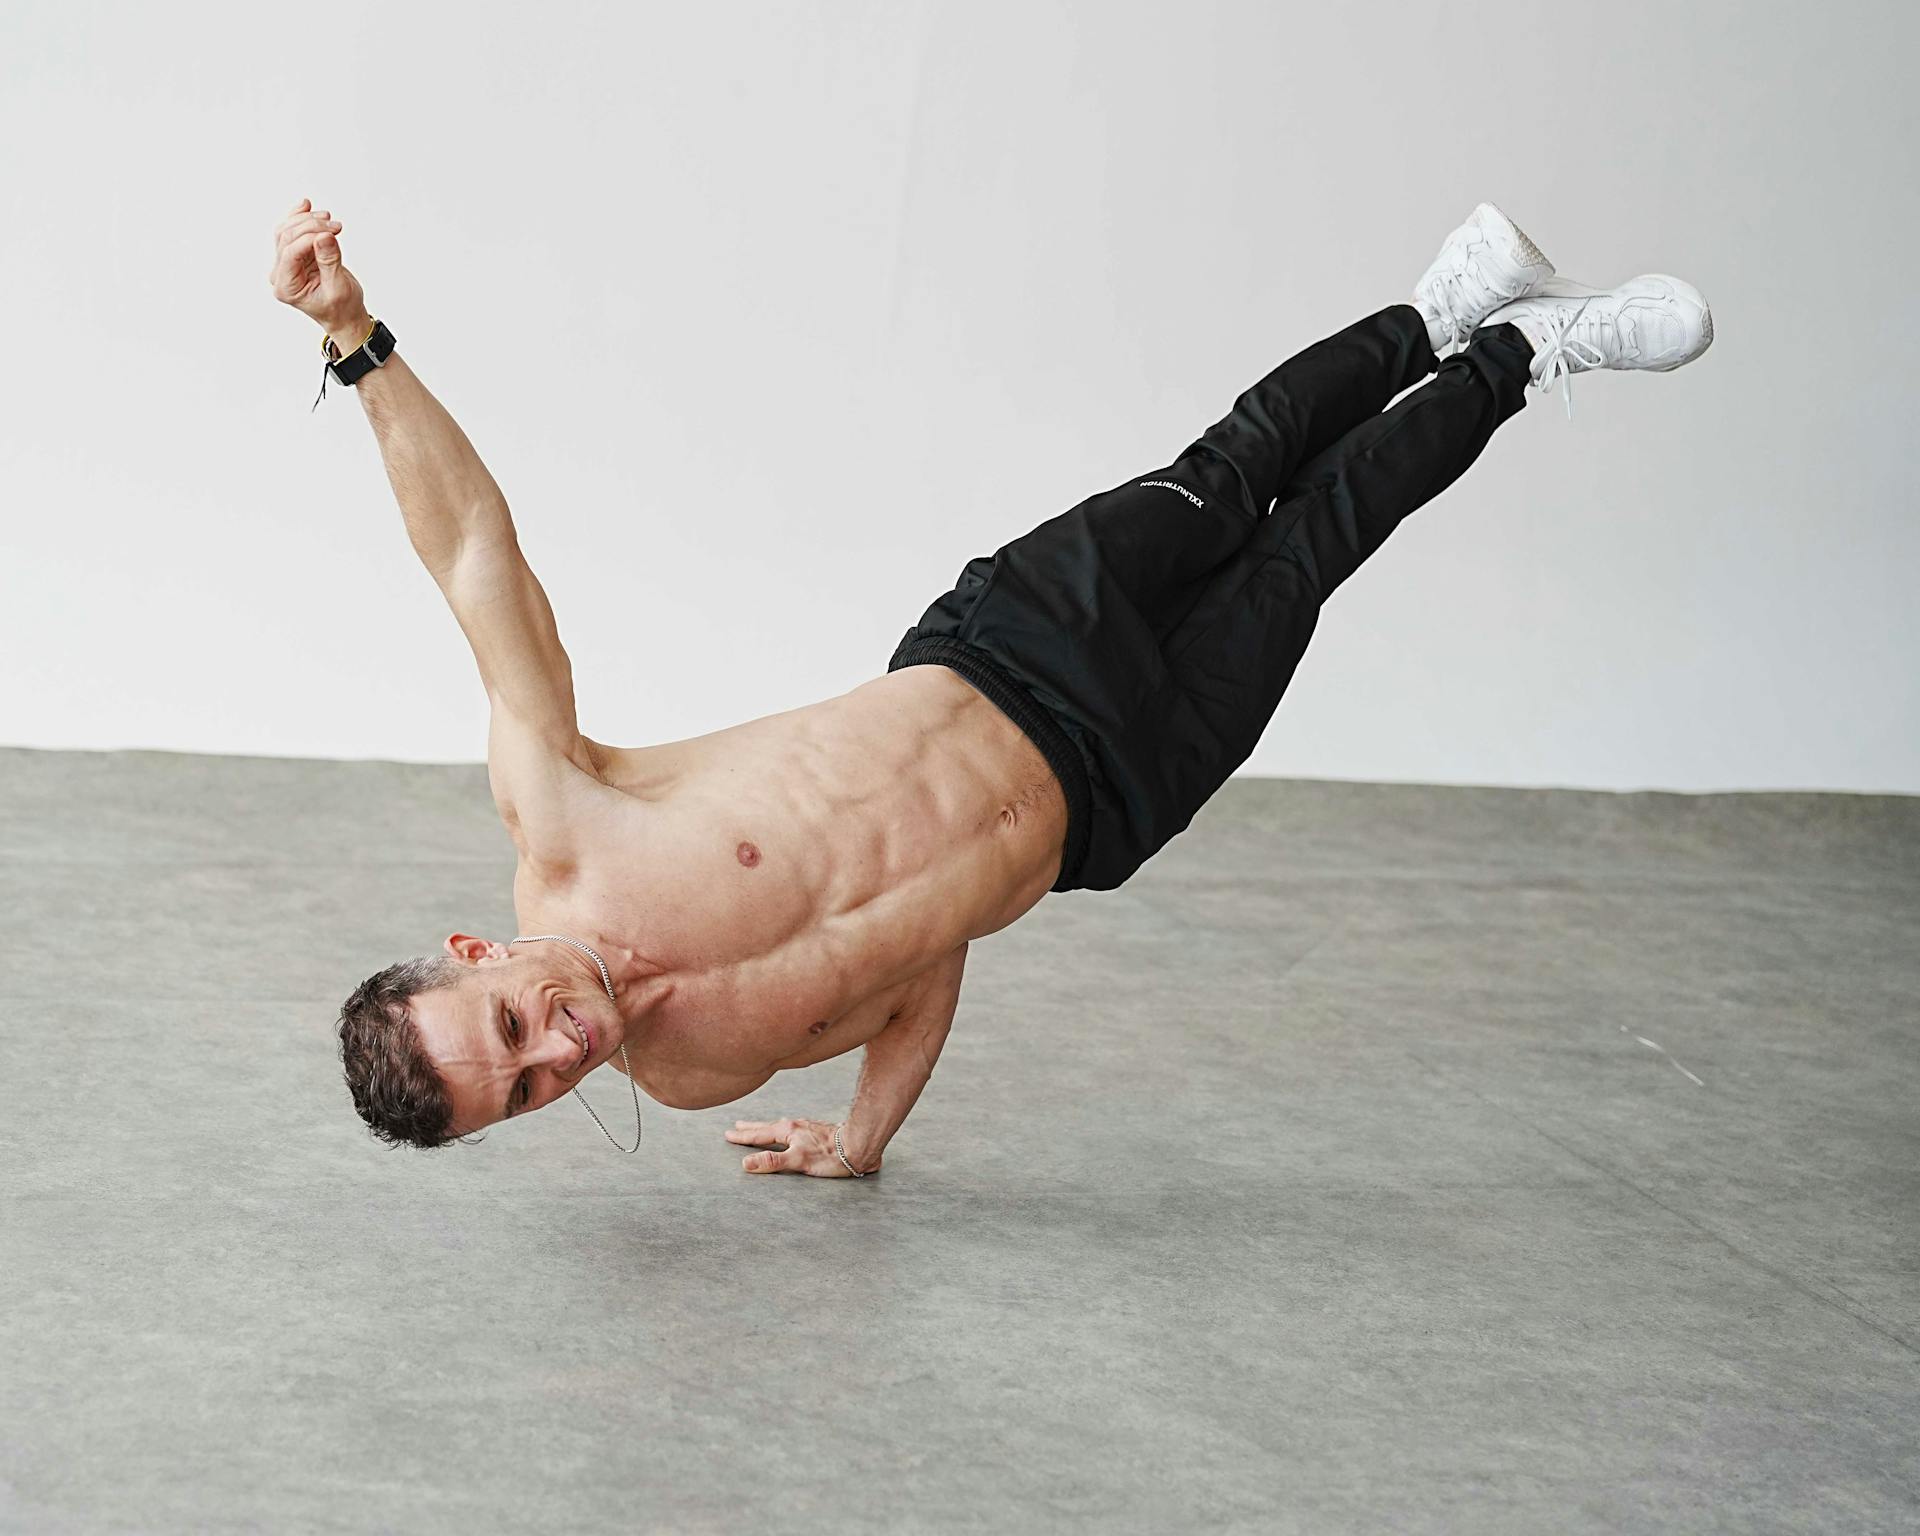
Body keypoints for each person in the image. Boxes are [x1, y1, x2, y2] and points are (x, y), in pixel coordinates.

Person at [270, 198, 1712, 1176]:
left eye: (514, 1030)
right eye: (524, 1093)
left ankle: (1435, 310)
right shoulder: (693, 1076)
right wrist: (864, 1138)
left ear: (476, 952)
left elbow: (471, 554)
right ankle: (1530, 353)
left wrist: (356, 339)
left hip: (1010, 648)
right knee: (1314, 554)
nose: (559, 1055)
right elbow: (913, 958)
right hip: (1105, 807)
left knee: (1236, 475)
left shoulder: (569, 821)